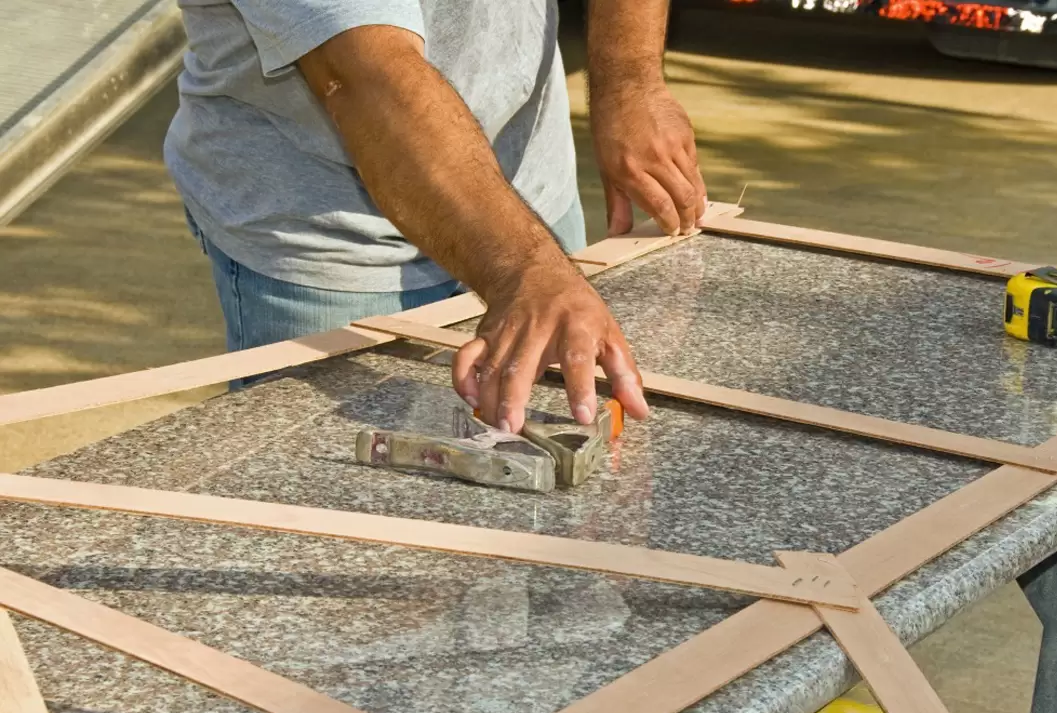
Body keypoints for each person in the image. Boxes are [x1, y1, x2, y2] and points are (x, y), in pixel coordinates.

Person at [163, 0, 706, 435]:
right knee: (346, 526)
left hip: (529, 187)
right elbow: (364, 75)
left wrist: (630, 79)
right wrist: (526, 271)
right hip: (334, 235)